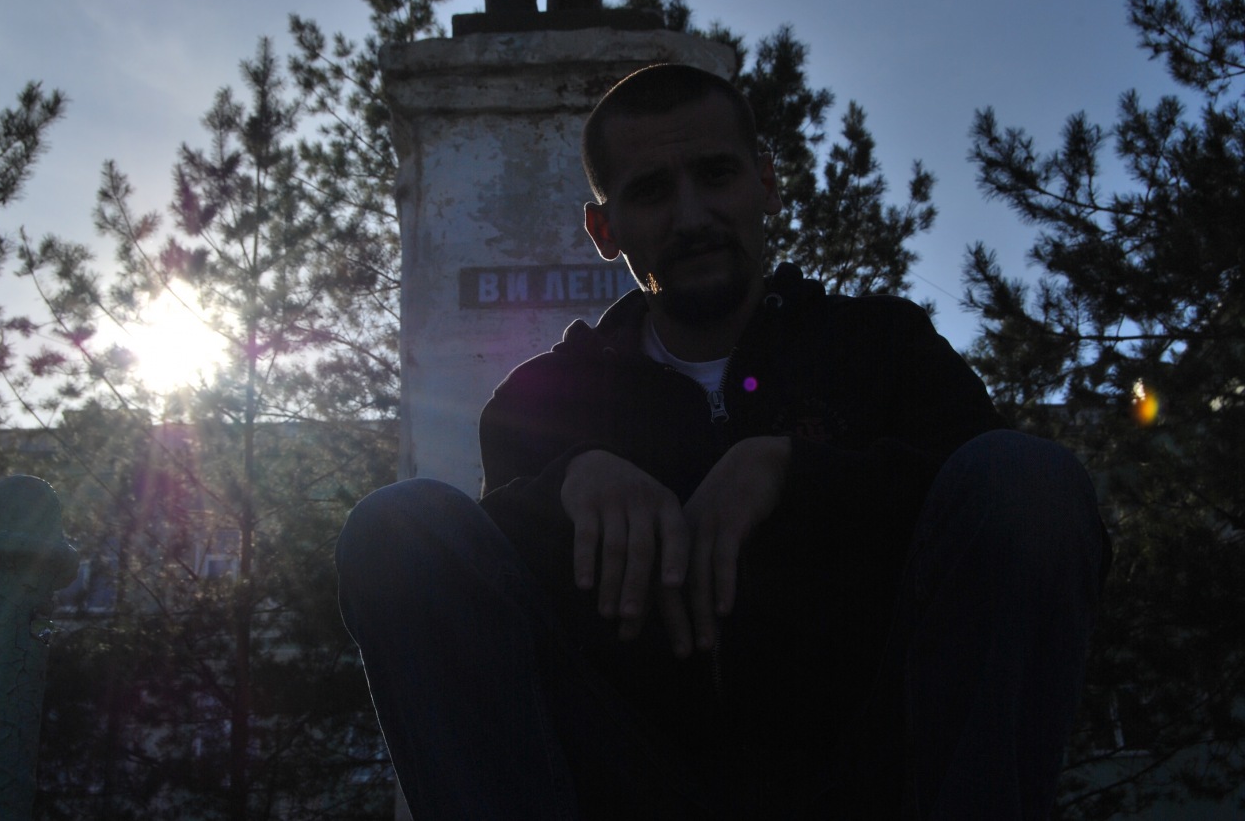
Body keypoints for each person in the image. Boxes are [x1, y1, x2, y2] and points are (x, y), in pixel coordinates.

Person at [335, 64, 1110, 819]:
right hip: (625, 786)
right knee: (397, 529)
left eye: (715, 175)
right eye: (650, 191)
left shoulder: (884, 346)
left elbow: (1009, 523)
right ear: (605, 230)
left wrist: (796, 472)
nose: (692, 215)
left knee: (1027, 474)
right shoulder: (538, 402)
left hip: (877, 773)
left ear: (765, 183)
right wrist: (566, 483)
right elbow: (488, 625)